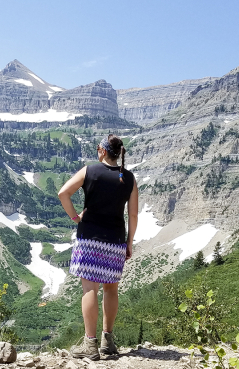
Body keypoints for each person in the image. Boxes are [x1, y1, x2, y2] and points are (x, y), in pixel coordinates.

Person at [57, 134, 138, 360]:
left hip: (89, 238)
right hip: (115, 239)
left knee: (89, 289)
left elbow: (63, 193)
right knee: (111, 289)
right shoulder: (129, 178)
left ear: (102, 151)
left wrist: (75, 216)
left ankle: (89, 345)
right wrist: (129, 242)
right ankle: (107, 341)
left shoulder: (89, 171)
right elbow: (133, 214)